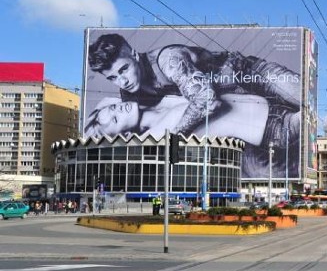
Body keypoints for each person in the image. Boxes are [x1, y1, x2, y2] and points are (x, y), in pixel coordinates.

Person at [88, 33, 301, 136]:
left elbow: (207, 101)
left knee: (305, 101)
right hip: (242, 108)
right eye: (112, 77)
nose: (122, 81)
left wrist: (171, 138)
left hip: (249, 74)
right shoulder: (130, 95)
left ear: (134, 55)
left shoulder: (167, 60)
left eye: (123, 69)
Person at [84, 93, 298, 179]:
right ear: (124, 133)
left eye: (112, 107)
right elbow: (205, 101)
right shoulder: (157, 133)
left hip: (274, 107)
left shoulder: (160, 101)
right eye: (114, 120)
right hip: (274, 131)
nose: (118, 110)